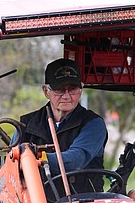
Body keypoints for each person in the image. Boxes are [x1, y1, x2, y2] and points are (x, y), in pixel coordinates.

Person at [17, 58, 108, 193]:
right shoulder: (26, 123)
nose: (66, 96)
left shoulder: (93, 124)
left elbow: (75, 161)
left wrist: (34, 156)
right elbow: (11, 162)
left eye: (72, 89)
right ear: (46, 91)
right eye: (59, 89)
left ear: (81, 90)